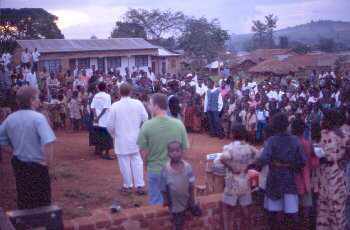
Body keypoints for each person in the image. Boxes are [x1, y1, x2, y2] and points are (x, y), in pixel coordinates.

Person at [0, 86, 56, 209]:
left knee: (23, 195)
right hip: (37, 165)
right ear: (31, 100)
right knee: (43, 199)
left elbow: (1, 141)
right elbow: (48, 143)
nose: (39, 101)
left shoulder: (10, 118)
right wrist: (47, 163)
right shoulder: (38, 118)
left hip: (19, 163)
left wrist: (14, 151)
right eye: (37, 98)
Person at [257, 113, 306, 230]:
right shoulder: (294, 140)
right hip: (290, 180)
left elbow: (263, 159)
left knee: (273, 214)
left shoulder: (272, 141)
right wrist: (290, 165)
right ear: (286, 125)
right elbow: (302, 161)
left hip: (274, 180)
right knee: (291, 213)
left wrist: (273, 163)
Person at [137, 93, 189, 205]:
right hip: (174, 169)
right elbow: (184, 149)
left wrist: (146, 164)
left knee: (156, 203)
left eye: (150, 104)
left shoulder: (147, 125)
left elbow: (143, 152)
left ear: (156, 106)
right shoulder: (178, 124)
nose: (149, 107)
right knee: (175, 203)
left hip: (155, 169)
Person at [107, 83, 148, 195]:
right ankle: (139, 186)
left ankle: (128, 186)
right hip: (136, 137)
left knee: (124, 162)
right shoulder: (138, 103)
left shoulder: (115, 106)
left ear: (119, 92)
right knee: (137, 161)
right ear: (131, 92)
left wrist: (114, 135)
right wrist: (140, 131)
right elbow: (146, 119)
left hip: (121, 138)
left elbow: (109, 125)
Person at [218, 124, 259, 230]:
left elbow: (222, 158)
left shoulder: (229, 148)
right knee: (246, 211)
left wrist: (231, 167)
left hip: (232, 182)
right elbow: (258, 156)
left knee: (229, 211)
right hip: (245, 180)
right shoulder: (249, 148)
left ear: (232, 134)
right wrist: (249, 165)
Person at [314, 110, 348, 230]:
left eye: (325, 118)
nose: (323, 121)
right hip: (323, 174)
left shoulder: (343, 133)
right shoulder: (323, 133)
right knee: (323, 206)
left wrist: (343, 159)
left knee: (337, 206)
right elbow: (318, 148)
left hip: (336, 174)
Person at [160, 141, 197, 230]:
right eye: (172, 151)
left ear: (182, 152)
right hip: (174, 203)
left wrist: (192, 200)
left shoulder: (188, 167)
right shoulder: (166, 169)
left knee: (191, 217)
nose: (175, 153)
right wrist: (165, 200)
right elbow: (163, 187)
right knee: (177, 223)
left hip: (187, 199)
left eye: (177, 150)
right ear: (168, 153)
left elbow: (192, 185)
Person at [291, 118, 319, 229]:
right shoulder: (308, 144)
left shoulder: (290, 143)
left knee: (292, 208)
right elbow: (314, 163)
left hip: (291, 179)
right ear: (303, 130)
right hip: (305, 178)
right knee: (306, 207)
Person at [90, 82, 113, 159]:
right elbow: (106, 108)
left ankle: (98, 150)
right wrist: (99, 117)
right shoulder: (107, 96)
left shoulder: (96, 96)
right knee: (106, 137)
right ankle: (106, 153)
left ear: (99, 88)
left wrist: (96, 116)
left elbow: (92, 107)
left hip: (97, 120)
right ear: (105, 88)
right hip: (104, 120)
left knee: (98, 135)